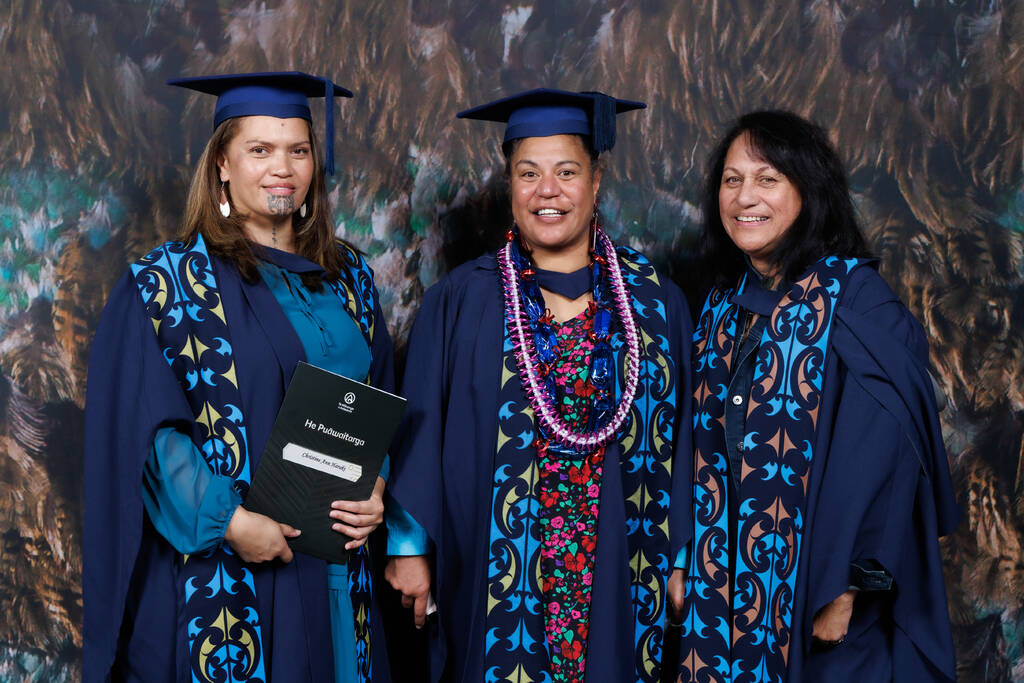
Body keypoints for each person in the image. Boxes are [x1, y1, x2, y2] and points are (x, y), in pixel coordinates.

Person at [83, 71, 398, 682]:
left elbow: (378, 399)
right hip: (234, 577)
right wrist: (228, 522)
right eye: (259, 150)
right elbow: (150, 438)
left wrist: (376, 489)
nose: (282, 168)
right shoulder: (168, 284)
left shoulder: (350, 277)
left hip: (338, 568)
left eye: (297, 150)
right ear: (222, 164)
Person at [384, 89, 693, 683]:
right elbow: (418, 427)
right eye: (529, 173)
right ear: (509, 184)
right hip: (497, 552)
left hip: (622, 554)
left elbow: (682, 441)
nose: (547, 191)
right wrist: (408, 547)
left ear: (597, 180)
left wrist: (680, 553)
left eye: (567, 172)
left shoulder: (655, 301)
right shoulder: (462, 301)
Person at [677, 110, 959, 682]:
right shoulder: (719, 309)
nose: (744, 197)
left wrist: (845, 588)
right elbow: (690, 446)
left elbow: (886, 464)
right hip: (722, 599)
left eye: (767, 179)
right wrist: (685, 555)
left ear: (807, 191)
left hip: (819, 603)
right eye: (732, 180)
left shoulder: (856, 305)